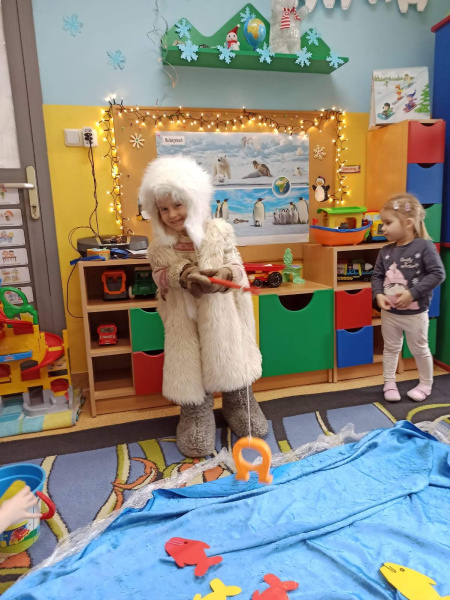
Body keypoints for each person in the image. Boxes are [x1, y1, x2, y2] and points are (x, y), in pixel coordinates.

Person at [139, 155, 268, 457]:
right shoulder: (159, 246)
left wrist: (224, 275)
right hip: (184, 319)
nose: (172, 214)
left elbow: (236, 265)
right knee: (190, 366)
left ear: (193, 200)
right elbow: (159, 275)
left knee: (230, 358)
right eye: (164, 209)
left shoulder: (218, 232)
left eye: (178, 205)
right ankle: (195, 413)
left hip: (223, 316)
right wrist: (182, 274)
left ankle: (240, 403)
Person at [371, 193, 445, 402]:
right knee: (391, 348)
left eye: (387, 223)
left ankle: (426, 384)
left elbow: (438, 274)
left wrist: (412, 293)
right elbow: (377, 276)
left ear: (408, 223)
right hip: (390, 313)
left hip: (415, 314)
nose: (382, 228)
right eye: (382, 223)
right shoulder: (385, 251)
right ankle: (389, 383)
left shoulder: (424, 247)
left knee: (419, 349)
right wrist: (378, 295)